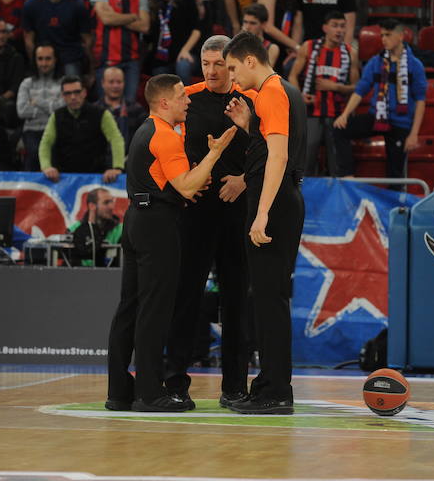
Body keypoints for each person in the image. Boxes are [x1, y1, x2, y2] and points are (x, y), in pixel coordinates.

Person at [106, 73, 237, 412]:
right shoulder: (165, 136)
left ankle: (120, 392)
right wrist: (214, 154)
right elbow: (188, 187)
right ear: (164, 102)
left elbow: (173, 182)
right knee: (154, 309)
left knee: (130, 307)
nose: (187, 100)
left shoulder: (145, 130)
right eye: (181, 96)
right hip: (157, 226)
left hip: (136, 218)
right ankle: (150, 392)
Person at [165, 35, 256, 408]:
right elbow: (165, 147)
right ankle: (174, 382)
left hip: (238, 211)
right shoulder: (186, 97)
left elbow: (273, 149)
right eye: (206, 64)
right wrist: (185, 184)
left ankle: (234, 386)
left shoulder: (251, 99)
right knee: (185, 297)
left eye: (219, 64)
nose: (212, 71)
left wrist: (245, 180)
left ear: (231, 65)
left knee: (236, 301)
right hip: (196, 213)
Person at [222, 32, 306, 414]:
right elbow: (270, 147)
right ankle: (269, 385)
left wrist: (262, 212)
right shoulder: (284, 89)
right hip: (282, 200)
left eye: (234, 69)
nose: (234, 80)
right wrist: (249, 127)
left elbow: (278, 157)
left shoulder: (271, 91)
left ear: (251, 60)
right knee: (268, 298)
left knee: (270, 300)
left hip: (275, 203)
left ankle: (275, 391)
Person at [333, 19, 426, 182]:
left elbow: (420, 100)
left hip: (401, 123)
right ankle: (348, 177)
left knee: (395, 173)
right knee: (340, 129)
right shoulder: (375, 62)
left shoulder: (415, 65)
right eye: (382, 35)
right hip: (376, 117)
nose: (383, 39)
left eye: (388, 35)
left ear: (401, 36)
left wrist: (414, 134)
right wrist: (345, 115)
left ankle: (395, 202)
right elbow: (360, 90)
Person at [289, 11, 359, 176]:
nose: (339, 30)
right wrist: (299, 95)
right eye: (335, 26)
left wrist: (336, 87)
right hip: (311, 112)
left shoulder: (351, 52)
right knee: (306, 160)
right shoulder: (308, 47)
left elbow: (356, 87)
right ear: (325, 28)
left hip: (337, 115)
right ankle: (303, 197)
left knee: (338, 164)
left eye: (342, 26)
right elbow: (292, 75)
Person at [39, 76, 125, 183]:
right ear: (63, 96)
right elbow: (45, 143)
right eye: (68, 93)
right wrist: (46, 167)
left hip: (96, 177)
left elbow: (116, 139)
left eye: (77, 92)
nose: (73, 97)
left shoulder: (101, 114)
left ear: (84, 93)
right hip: (64, 180)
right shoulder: (56, 116)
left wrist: (117, 168)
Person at [92, 0, 149, 103]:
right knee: (105, 106)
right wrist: (132, 16)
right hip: (106, 58)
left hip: (131, 59)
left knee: (129, 105)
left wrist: (115, 16)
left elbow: (144, 26)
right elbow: (106, 18)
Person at [22, 0, 93, 77]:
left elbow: (87, 40)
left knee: (73, 87)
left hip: (70, 58)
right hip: (44, 58)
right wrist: (35, 64)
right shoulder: (31, 6)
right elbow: (29, 41)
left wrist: (90, 71)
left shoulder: (78, 6)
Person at [148, 0, 202, 83]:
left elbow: (197, 30)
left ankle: (186, 101)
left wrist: (185, 50)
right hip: (162, 58)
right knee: (158, 75)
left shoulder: (186, 0)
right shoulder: (154, 6)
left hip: (186, 54)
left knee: (182, 66)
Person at [17, 43, 65, 171]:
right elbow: (22, 111)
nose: (44, 63)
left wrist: (37, 102)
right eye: (40, 59)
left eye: (48, 58)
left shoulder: (63, 83)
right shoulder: (27, 83)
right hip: (32, 131)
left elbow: (62, 111)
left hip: (57, 130)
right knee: (33, 154)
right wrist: (51, 107)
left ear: (55, 59)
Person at [257, 0, 303, 67]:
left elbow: (297, 24)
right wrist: (296, 47)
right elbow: (268, 27)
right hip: (267, 45)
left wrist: (294, 48)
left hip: (285, 46)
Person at [94, 66, 146, 150]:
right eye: (111, 82)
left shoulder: (137, 109)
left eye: (119, 82)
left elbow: (145, 138)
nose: (115, 86)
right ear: (103, 83)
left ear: (124, 83)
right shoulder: (94, 110)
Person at [68, 188, 122, 267]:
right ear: (92, 206)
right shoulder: (74, 229)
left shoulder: (120, 230)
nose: (111, 207)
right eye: (106, 203)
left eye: (112, 202)